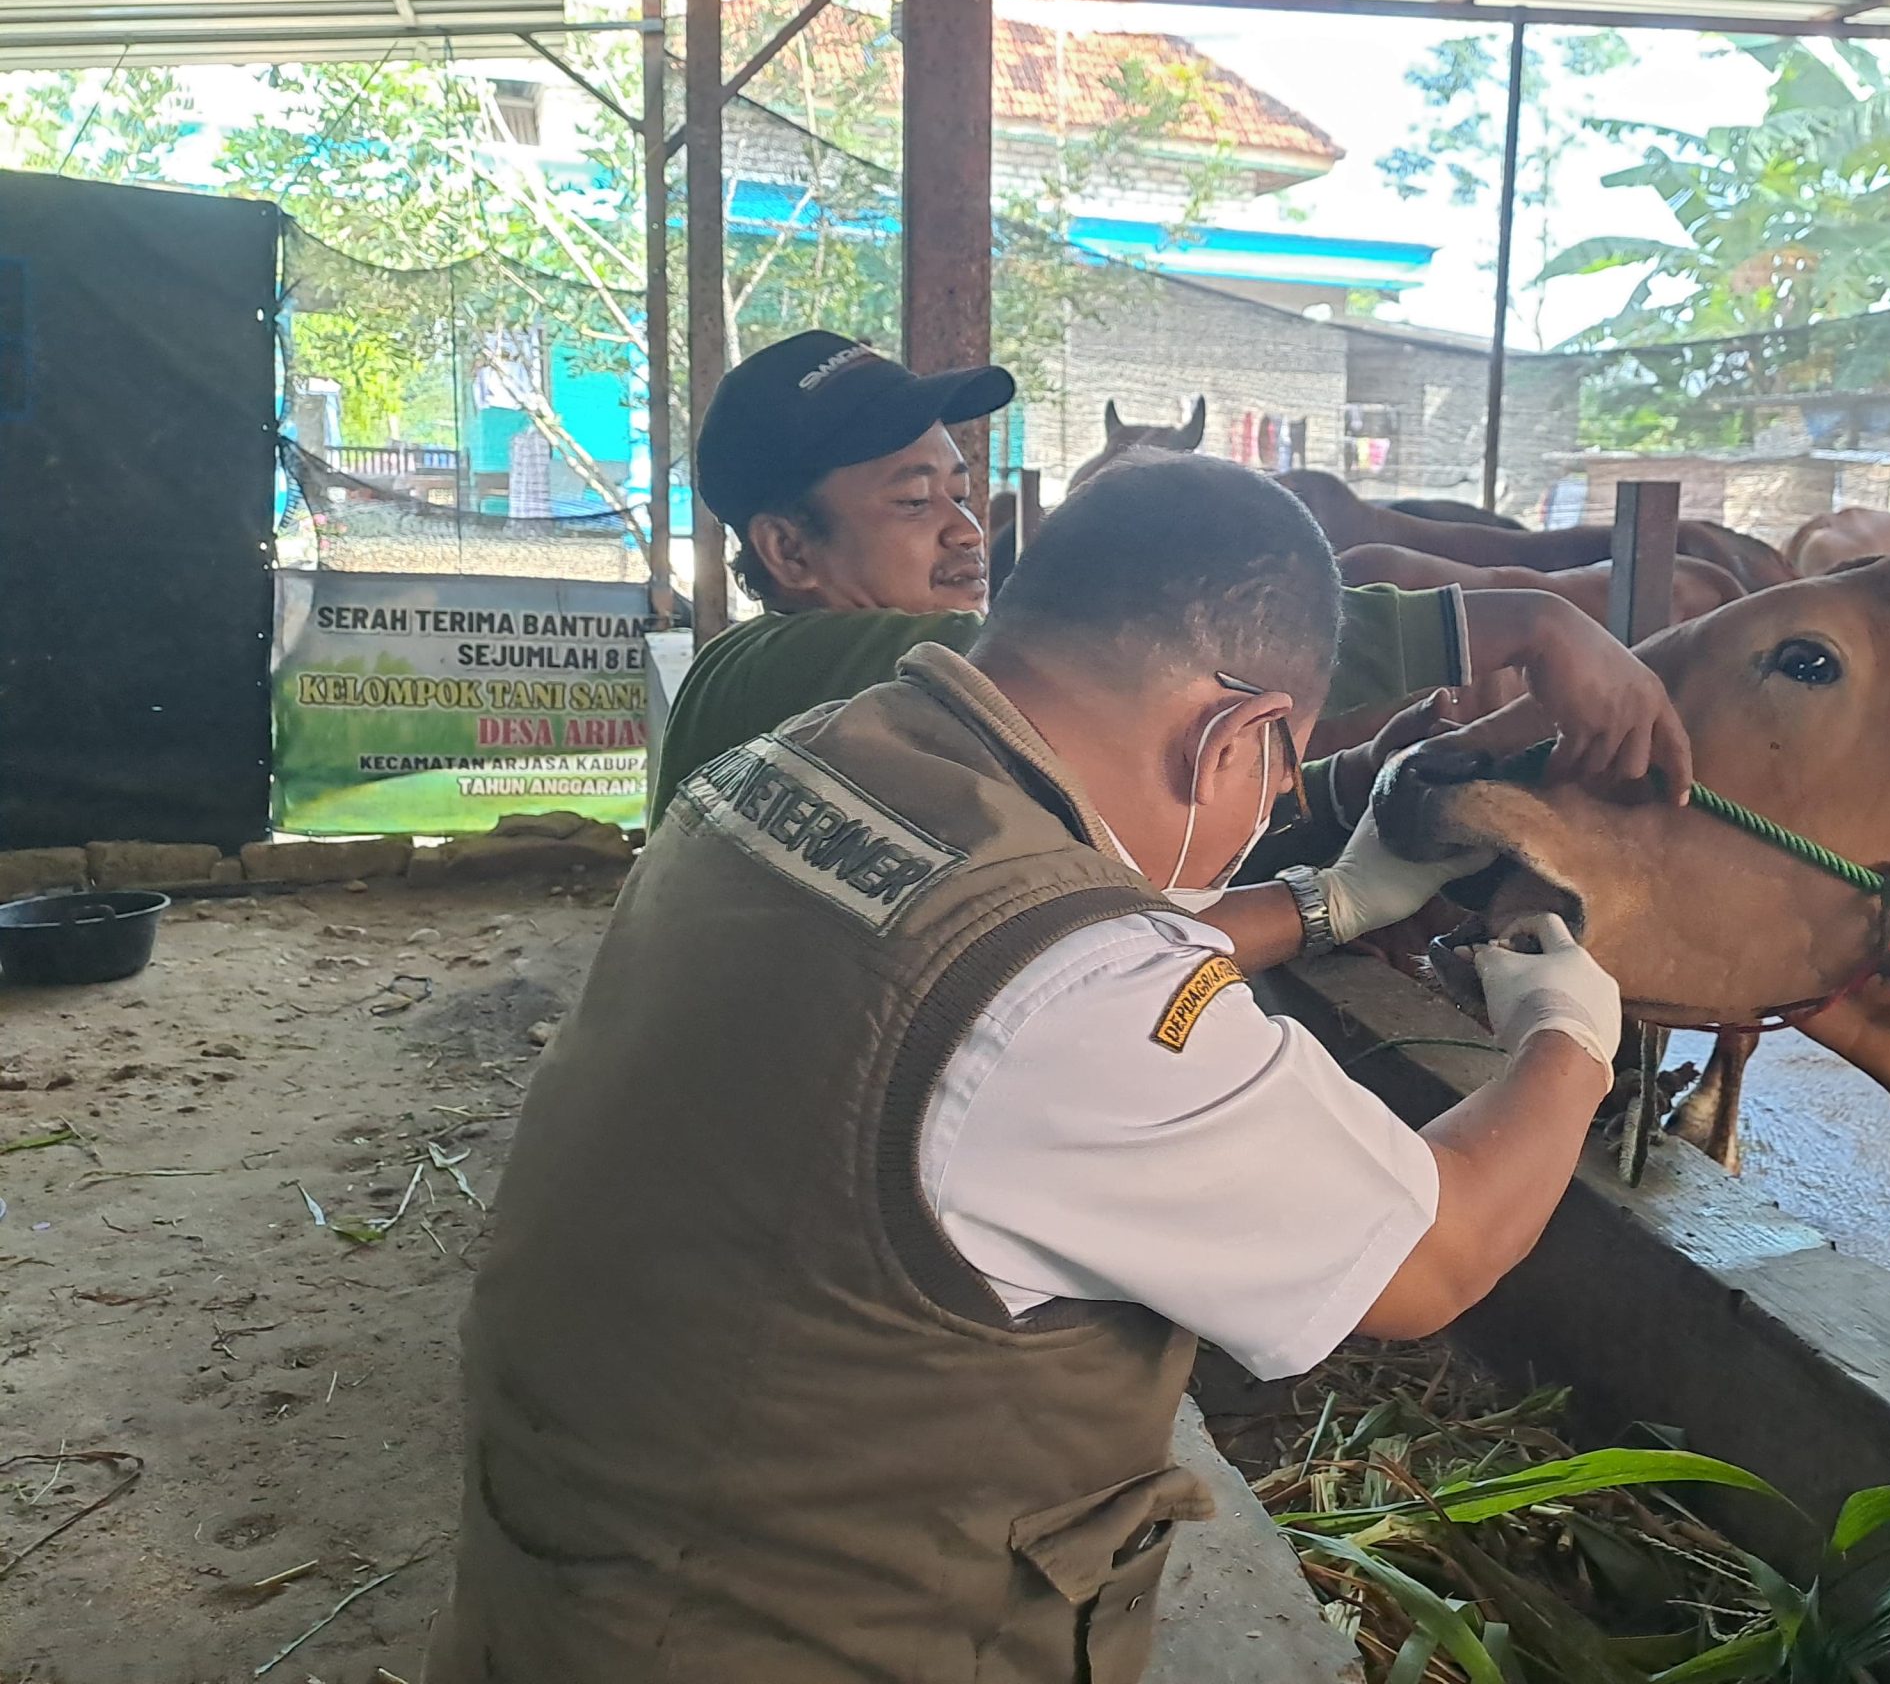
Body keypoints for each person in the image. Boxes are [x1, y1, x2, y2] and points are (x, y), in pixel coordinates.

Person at [430, 455, 1633, 1684]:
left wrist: (1329, 901)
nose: (1269, 805)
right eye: (1279, 776)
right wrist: (1568, 1034)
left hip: (573, 1579)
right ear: (1235, 734)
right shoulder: (1085, 998)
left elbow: (991, 973)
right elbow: (1436, 1255)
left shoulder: (803, 760)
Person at [650, 331, 1691, 827]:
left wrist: (1346, 785)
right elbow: (1147, 658)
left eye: (961, 493)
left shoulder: (886, 704)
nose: (967, 533)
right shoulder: (801, 668)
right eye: (915, 503)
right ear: (790, 554)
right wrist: (1525, 622)